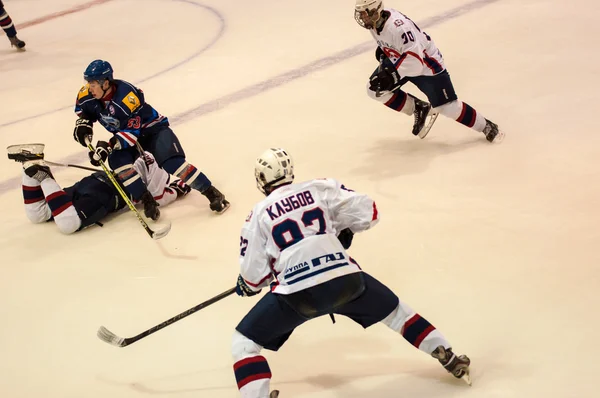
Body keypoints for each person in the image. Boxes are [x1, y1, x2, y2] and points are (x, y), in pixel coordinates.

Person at [231, 148, 471, 397]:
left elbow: (254, 276)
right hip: (345, 279)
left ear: (260, 180)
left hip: (298, 293)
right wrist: (344, 230)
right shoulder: (320, 187)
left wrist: (247, 285)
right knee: (398, 314)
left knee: (244, 343)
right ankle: (448, 355)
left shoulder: (257, 214)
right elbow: (369, 212)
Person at [72, 59, 229, 221]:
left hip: (153, 131)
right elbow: (84, 111)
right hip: (126, 134)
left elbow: (131, 134)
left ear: (105, 83)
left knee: (173, 163)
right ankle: (147, 200)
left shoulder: (127, 97)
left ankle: (211, 192)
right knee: (118, 162)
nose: (89, 88)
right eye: (88, 83)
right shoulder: (86, 94)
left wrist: (109, 145)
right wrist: (84, 124)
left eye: (93, 84)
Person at [355, 0, 503, 143]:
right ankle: (418, 107)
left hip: (427, 65)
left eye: (364, 14)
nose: (362, 18)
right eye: (360, 14)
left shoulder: (398, 28)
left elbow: (416, 63)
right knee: (374, 89)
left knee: (447, 107)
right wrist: (384, 52)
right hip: (402, 60)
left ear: (375, 11)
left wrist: (392, 75)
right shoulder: (376, 23)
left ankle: (486, 126)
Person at [10, 145, 190, 234]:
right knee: (68, 224)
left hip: (92, 181)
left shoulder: (136, 148)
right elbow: (160, 196)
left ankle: (29, 168)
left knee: (38, 214)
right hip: (106, 194)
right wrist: (179, 188)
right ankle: (43, 175)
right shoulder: (155, 164)